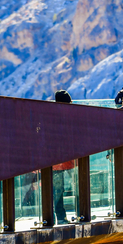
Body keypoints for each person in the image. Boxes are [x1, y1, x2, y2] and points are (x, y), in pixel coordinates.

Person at [52, 90, 76, 223]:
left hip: (56, 161)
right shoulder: (69, 117)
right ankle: (82, 213)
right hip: (70, 158)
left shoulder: (50, 116)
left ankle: (60, 217)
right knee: (78, 185)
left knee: (58, 190)